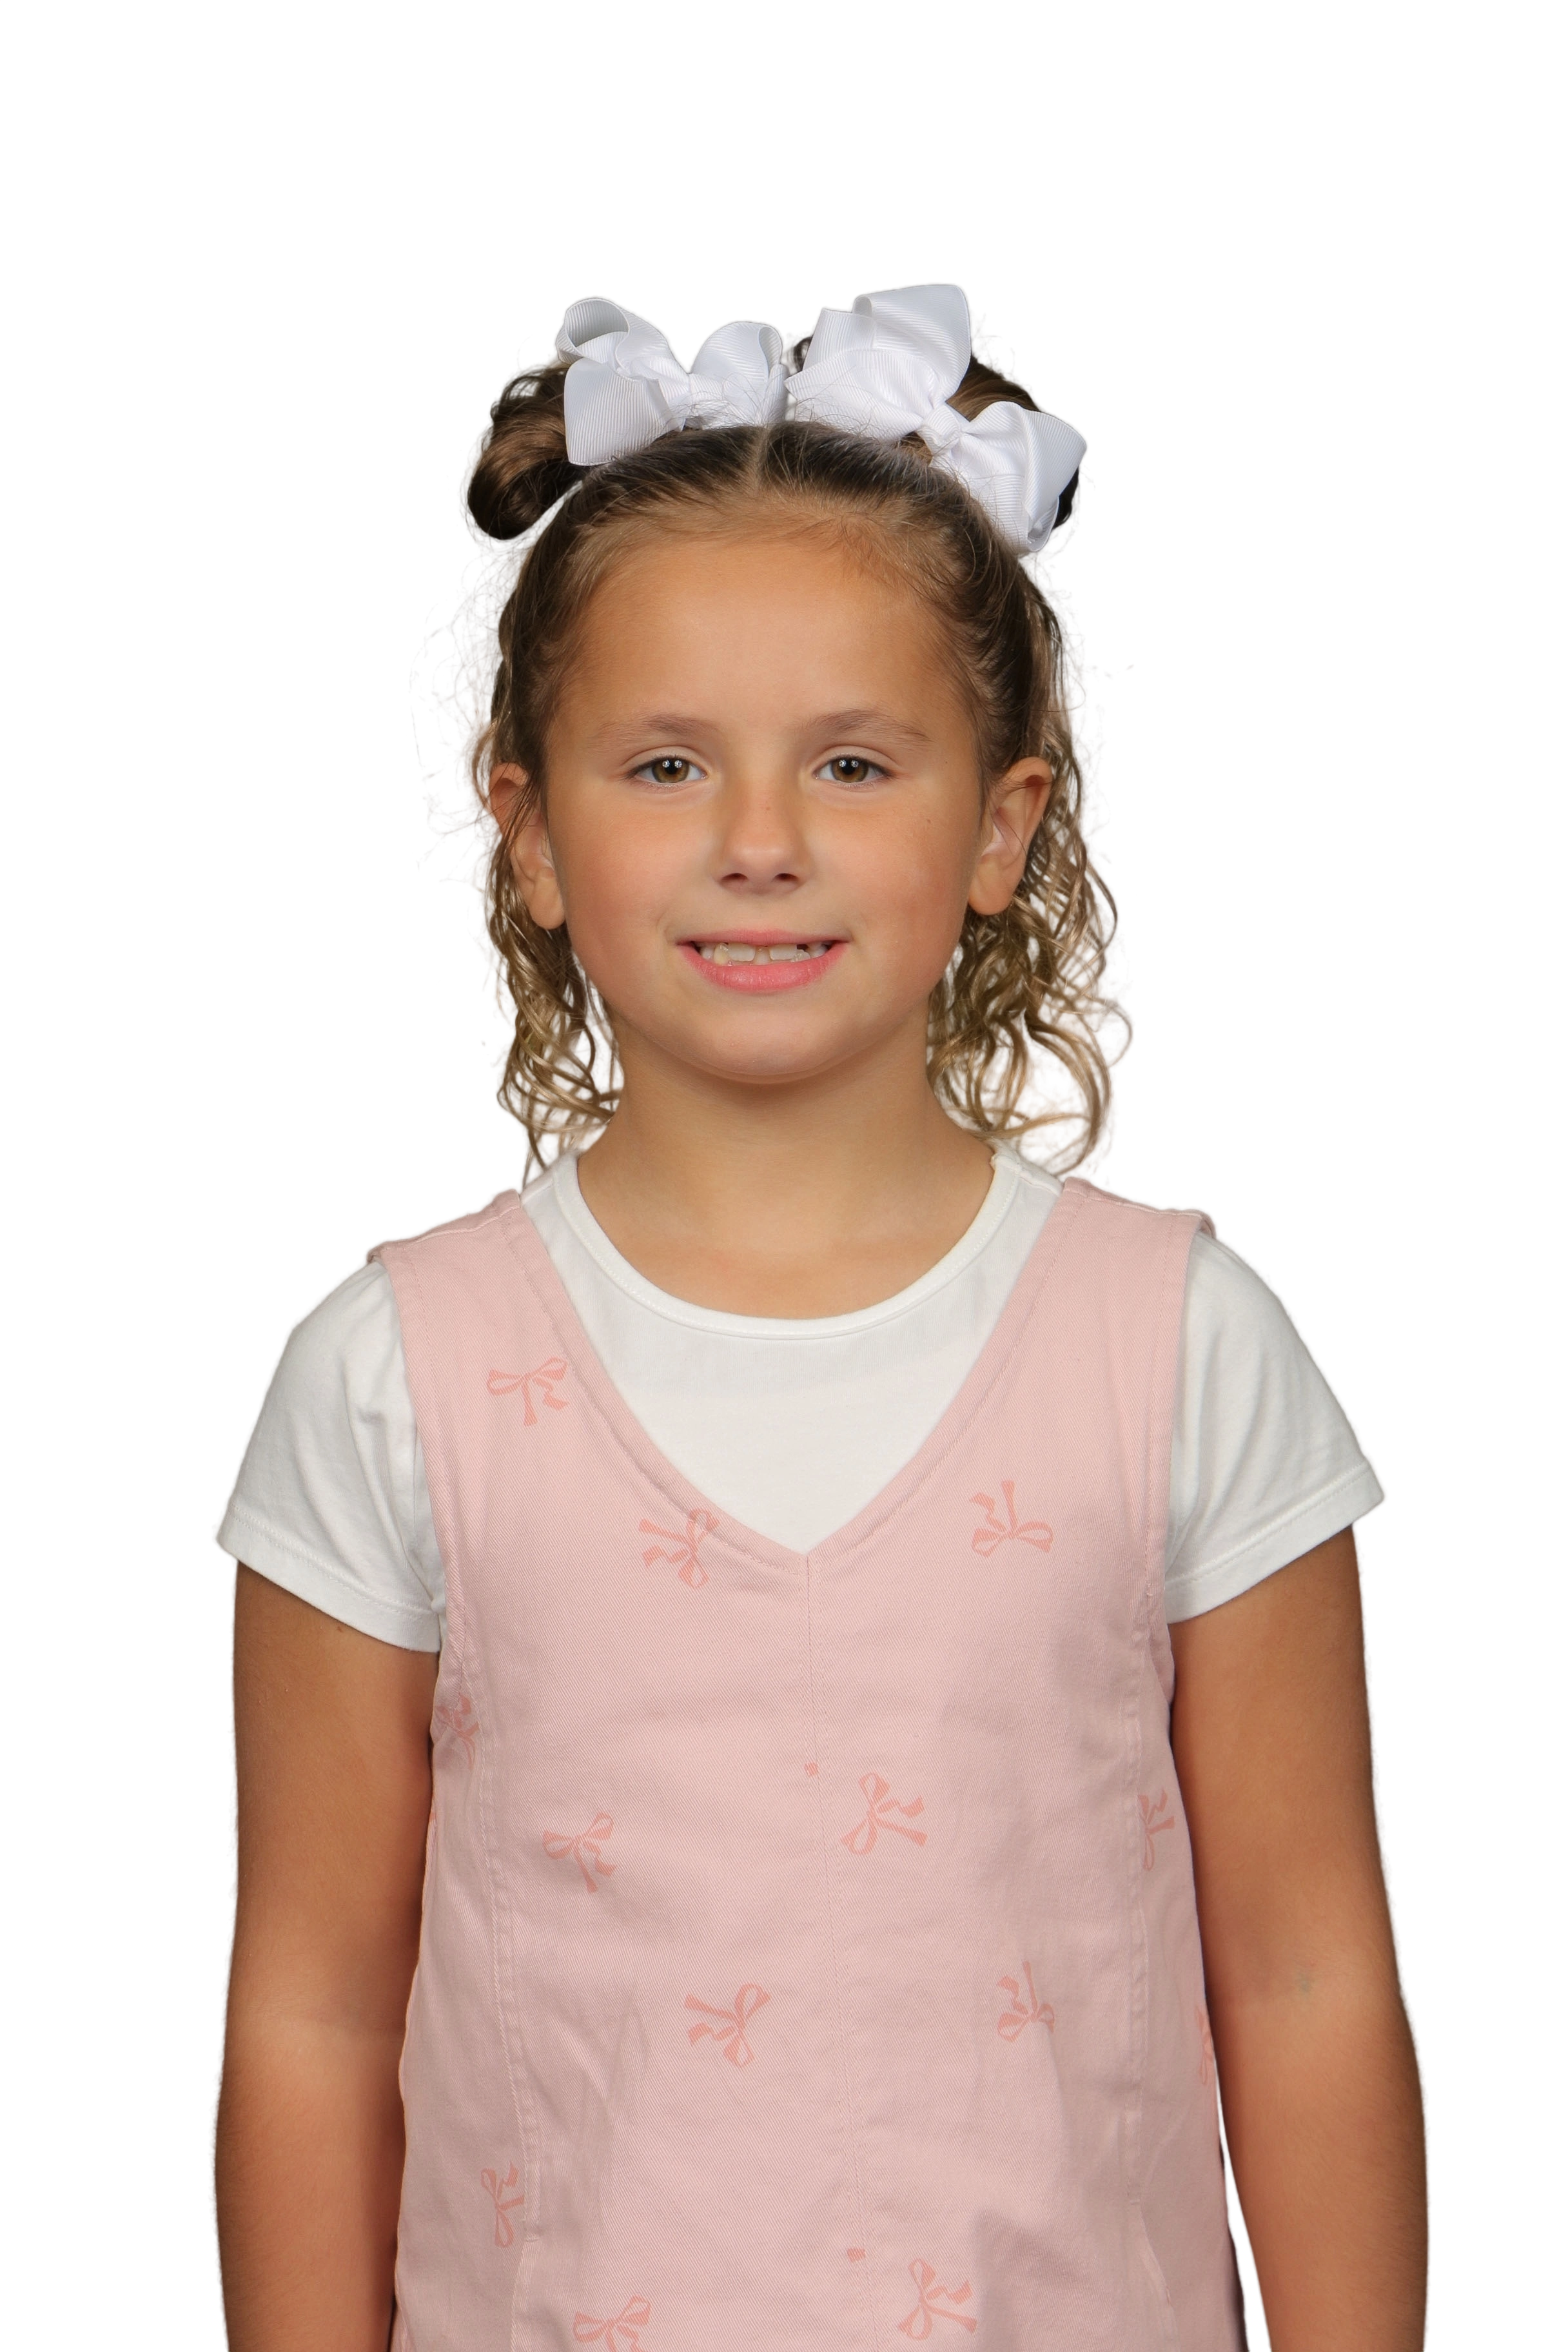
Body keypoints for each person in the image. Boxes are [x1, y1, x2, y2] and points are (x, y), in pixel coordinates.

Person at [207, 282, 1432, 2351]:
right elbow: (315, 2012)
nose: (760, 844)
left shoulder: (1181, 1352)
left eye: (852, 762)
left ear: (1001, 826)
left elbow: (1307, 1976)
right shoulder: (395, 1379)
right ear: (528, 832)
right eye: (667, 762)